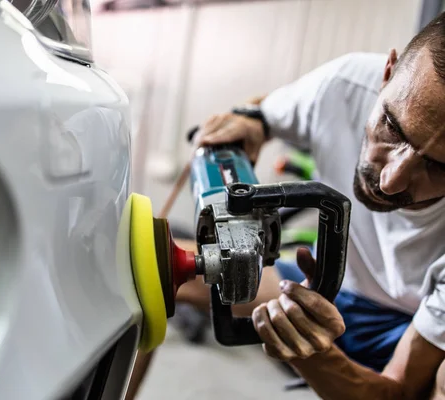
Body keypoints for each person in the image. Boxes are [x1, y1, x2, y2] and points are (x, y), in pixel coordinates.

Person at [129, 12, 445, 400]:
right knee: (149, 276)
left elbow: (397, 392)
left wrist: (314, 354)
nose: (390, 180)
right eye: (392, 128)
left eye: (437, 166)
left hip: (413, 329)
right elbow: (262, 111)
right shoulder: (344, 85)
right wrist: (251, 122)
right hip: (326, 285)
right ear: (387, 73)